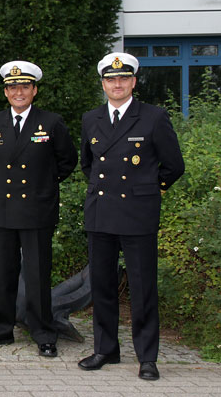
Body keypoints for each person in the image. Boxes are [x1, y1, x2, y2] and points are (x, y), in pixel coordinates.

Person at [78, 52, 184, 380]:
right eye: (111, 79)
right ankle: (106, 350)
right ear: (103, 84)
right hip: (101, 213)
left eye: (124, 78)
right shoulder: (90, 119)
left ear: (134, 82)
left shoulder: (153, 117)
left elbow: (174, 166)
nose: (118, 84)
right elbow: (88, 165)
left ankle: (147, 357)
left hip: (138, 215)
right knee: (103, 286)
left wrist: (148, 191)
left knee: (142, 288)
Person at [0, 61, 78, 357]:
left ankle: (44, 334)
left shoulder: (52, 122)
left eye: (24, 87)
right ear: (5, 92)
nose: (18, 92)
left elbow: (67, 161)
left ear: (34, 90)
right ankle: (1, 330)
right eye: (12, 87)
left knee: (37, 275)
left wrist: (42, 184)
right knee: (3, 273)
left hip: (37, 210)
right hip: (3, 208)